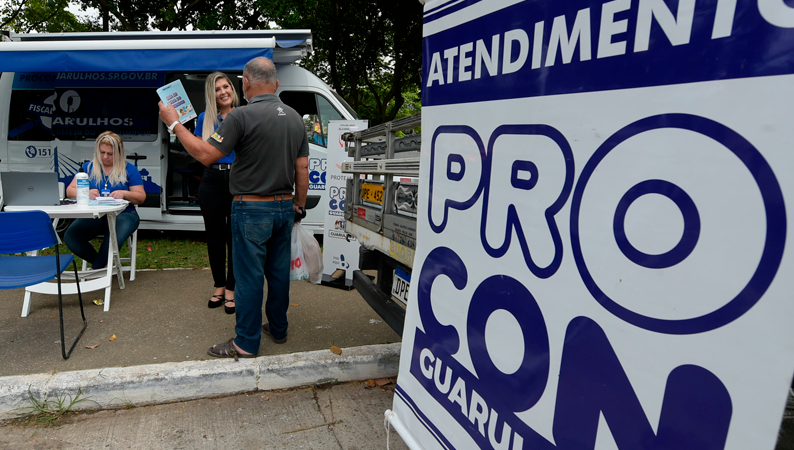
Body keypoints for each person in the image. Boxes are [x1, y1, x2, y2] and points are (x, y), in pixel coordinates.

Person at [158, 56, 309, 360]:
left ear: (246, 83)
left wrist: (173, 123)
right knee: (278, 274)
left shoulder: (240, 117)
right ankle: (278, 328)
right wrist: (299, 206)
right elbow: (302, 167)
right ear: (276, 84)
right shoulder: (294, 117)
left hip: (251, 210)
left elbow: (204, 155)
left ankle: (245, 343)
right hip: (284, 209)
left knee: (250, 277)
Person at [64, 131, 146, 269]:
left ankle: (97, 269)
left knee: (112, 237)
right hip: (96, 214)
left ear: (119, 153)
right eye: (102, 152)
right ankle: (101, 265)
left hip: (124, 214)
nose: (105, 157)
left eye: (110, 154)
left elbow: (141, 197)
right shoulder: (87, 168)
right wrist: (85, 193)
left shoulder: (129, 169)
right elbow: (70, 191)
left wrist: (124, 193)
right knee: (71, 236)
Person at [194, 72, 240, 314]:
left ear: (232, 89)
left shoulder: (243, 115)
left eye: (226, 86)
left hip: (237, 179)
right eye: (217, 89)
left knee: (234, 236)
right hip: (211, 179)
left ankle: (232, 288)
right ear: (211, 94)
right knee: (214, 237)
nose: (223, 92)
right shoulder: (205, 118)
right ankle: (219, 286)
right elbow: (199, 150)